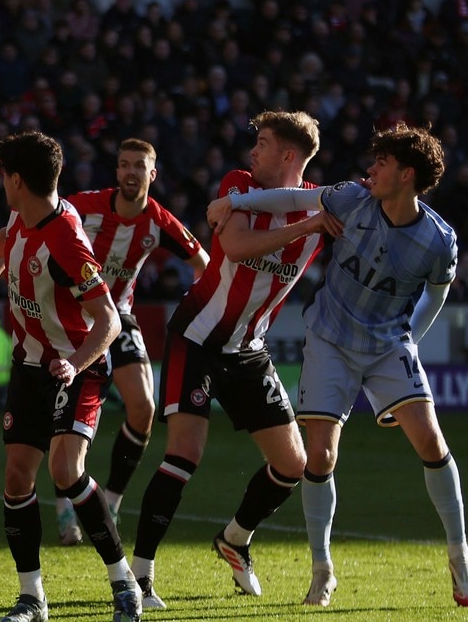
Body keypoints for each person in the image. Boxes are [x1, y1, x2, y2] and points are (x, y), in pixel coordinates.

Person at [206, 122, 468, 608]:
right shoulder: (352, 198)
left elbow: (437, 295)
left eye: (381, 163)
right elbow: (289, 198)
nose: (370, 169)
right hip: (329, 339)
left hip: (389, 343)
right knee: (321, 458)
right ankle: (321, 569)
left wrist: (409, 341)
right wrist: (238, 204)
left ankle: (459, 555)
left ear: (406, 175)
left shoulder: (439, 241)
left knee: (432, 441)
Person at [0, 131, 141, 622]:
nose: (2, 183)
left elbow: (107, 320)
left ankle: (124, 584)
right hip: (29, 363)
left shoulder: (69, 241)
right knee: (18, 476)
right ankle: (32, 598)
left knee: (65, 471)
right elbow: (5, 238)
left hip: (74, 367)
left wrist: (74, 363)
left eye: (3, 175)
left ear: (16, 180)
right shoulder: (27, 214)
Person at [129, 111, 335, 608]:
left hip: (248, 349)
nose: (253, 152)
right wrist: (310, 224)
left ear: (289, 155)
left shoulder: (327, 204)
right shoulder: (240, 185)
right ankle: (139, 575)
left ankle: (235, 539)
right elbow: (238, 246)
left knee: (293, 464)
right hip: (196, 337)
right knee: (185, 452)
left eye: (263, 144)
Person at [59, 138, 209, 546]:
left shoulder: (160, 222)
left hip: (118, 315)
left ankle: (110, 502)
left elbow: (205, 267)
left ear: (151, 174)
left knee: (143, 408)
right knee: (63, 411)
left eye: (138, 166)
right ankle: (65, 505)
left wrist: (200, 311)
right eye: (124, 164)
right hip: (70, 317)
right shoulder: (80, 206)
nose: (129, 173)